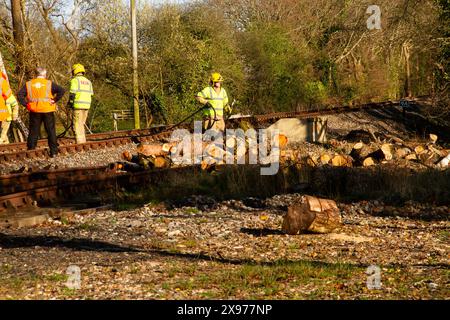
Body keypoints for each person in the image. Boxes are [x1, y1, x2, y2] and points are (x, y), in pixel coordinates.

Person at [17, 67, 65, 157]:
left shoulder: (29, 84)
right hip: (48, 110)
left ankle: (31, 151)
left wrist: (26, 105)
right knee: (51, 131)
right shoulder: (49, 83)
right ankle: (54, 152)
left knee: (33, 131)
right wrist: (54, 100)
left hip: (34, 111)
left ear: (36, 74)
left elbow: (19, 95)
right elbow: (62, 90)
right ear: (44, 74)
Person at [67, 64, 94, 144]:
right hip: (87, 106)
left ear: (74, 71)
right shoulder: (88, 82)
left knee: (77, 125)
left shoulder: (75, 80)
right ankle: (83, 141)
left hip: (78, 106)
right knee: (81, 124)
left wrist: (70, 104)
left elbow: (72, 94)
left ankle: (80, 143)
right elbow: (91, 94)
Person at [0, 75, 14, 143]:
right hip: (2, 111)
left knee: (2, 133)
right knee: (3, 133)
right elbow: (8, 94)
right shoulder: (1, 80)